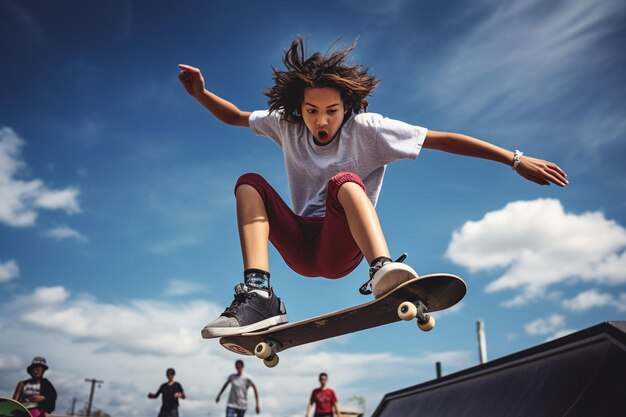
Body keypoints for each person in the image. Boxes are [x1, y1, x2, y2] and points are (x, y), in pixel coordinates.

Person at [178, 36, 568, 336]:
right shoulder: (287, 124)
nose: (321, 121)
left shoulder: (370, 130)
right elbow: (235, 117)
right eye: (312, 111)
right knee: (249, 183)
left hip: (341, 245)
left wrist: (514, 159)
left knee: (344, 182)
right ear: (300, 109)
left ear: (346, 106)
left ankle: (381, 268)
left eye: (331, 111)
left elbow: (442, 139)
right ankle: (259, 294)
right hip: (300, 246)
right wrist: (200, 95)